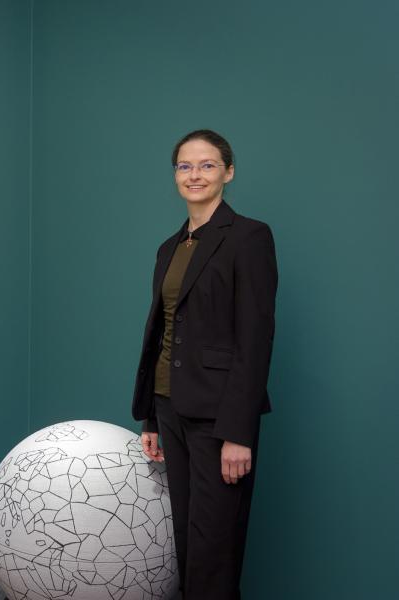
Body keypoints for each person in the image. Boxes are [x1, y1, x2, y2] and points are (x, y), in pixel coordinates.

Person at [131, 129, 277, 599]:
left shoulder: (249, 237)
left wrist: (239, 432)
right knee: (185, 546)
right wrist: (152, 416)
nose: (195, 175)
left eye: (207, 165)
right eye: (185, 166)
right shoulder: (169, 247)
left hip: (219, 417)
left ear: (228, 172)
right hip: (170, 408)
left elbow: (256, 340)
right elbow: (162, 334)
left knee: (215, 548)